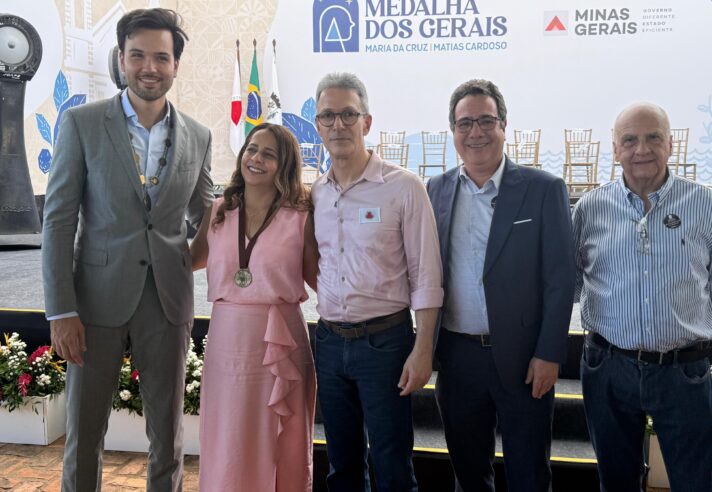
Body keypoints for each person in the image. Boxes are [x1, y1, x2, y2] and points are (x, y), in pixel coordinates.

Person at [41, 8, 213, 491]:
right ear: (122, 59)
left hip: (168, 302)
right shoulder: (81, 123)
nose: (149, 67)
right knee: (85, 432)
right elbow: (57, 222)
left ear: (176, 65)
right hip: (93, 303)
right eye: (138, 55)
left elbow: (206, 217)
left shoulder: (199, 136)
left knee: (169, 435)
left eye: (161, 57)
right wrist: (61, 310)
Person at [573, 102, 712, 491]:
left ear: (671, 144)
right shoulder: (589, 208)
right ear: (614, 149)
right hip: (608, 369)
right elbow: (571, 283)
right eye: (629, 140)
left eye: (653, 138)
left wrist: (686, 329)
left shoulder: (705, 204)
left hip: (683, 370)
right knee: (616, 482)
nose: (642, 149)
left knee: (695, 482)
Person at [426, 79, 575, 491]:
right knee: (470, 474)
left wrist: (549, 354)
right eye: (465, 123)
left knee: (529, 473)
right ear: (453, 131)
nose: (475, 132)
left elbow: (561, 280)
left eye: (486, 121)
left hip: (525, 360)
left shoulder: (543, 190)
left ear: (504, 125)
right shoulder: (435, 191)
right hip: (458, 359)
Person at [310, 72, 443, 492]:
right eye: (328, 116)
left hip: (386, 344)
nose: (338, 125)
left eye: (348, 114)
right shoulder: (317, 193)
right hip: (330, 342)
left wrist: (424, 350)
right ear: (317, 125)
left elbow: (427, 274)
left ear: (366, 122)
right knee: (341, 463)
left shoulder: (404, 188)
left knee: (390, 463)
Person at [190, 123, 318, 491]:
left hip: (281, 343)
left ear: (285, 165)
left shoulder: (301, 215)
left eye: (269, 154)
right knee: (228, 436)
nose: (256, 159)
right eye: (251, 149)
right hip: (227, 343)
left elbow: (318, 277)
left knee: (281, 441)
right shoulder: (219, 210)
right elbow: (189, 259)